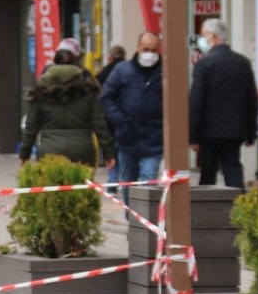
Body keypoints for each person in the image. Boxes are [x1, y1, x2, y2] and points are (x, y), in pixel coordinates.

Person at [189, 19, 258, 190]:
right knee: (232, 168)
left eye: (204, 36)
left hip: (209, 132)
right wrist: (251, 132)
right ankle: (238, 208)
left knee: (208, 174)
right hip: (235, 130)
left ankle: (207, 212)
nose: (201, 40)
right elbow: (251, 99)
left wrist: (194, 136)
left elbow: (197, 102)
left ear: (213, 37)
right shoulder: (242, 63)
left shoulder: (204, 64)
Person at [101, 32, 165, 204]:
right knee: (128, 182)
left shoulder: (165, 72)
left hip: (154, 138)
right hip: (128, 138)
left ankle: (145, 225)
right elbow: (106, 97)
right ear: (138, 48)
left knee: (148, 180)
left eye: (153, 50)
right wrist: (119, 119)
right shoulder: (123, 70)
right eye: (146, 49)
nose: (149, 54)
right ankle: (133, 220)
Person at [21, 62, 115, 168]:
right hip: (83, 151)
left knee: (53, 183)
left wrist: (25, 153)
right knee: (81, 183)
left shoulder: (41, 94)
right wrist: (108, 153)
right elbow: (100, 125)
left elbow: (31, 127)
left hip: (50, 151)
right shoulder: (89, 92)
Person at [96, 43, 127, 191]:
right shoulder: (129, 71)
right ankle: (124, 180)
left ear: (109, 57)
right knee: (123, 148)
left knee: (110, 148)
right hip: (125, 117)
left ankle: (113, 182)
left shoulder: (101, 74)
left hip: (107, 117)